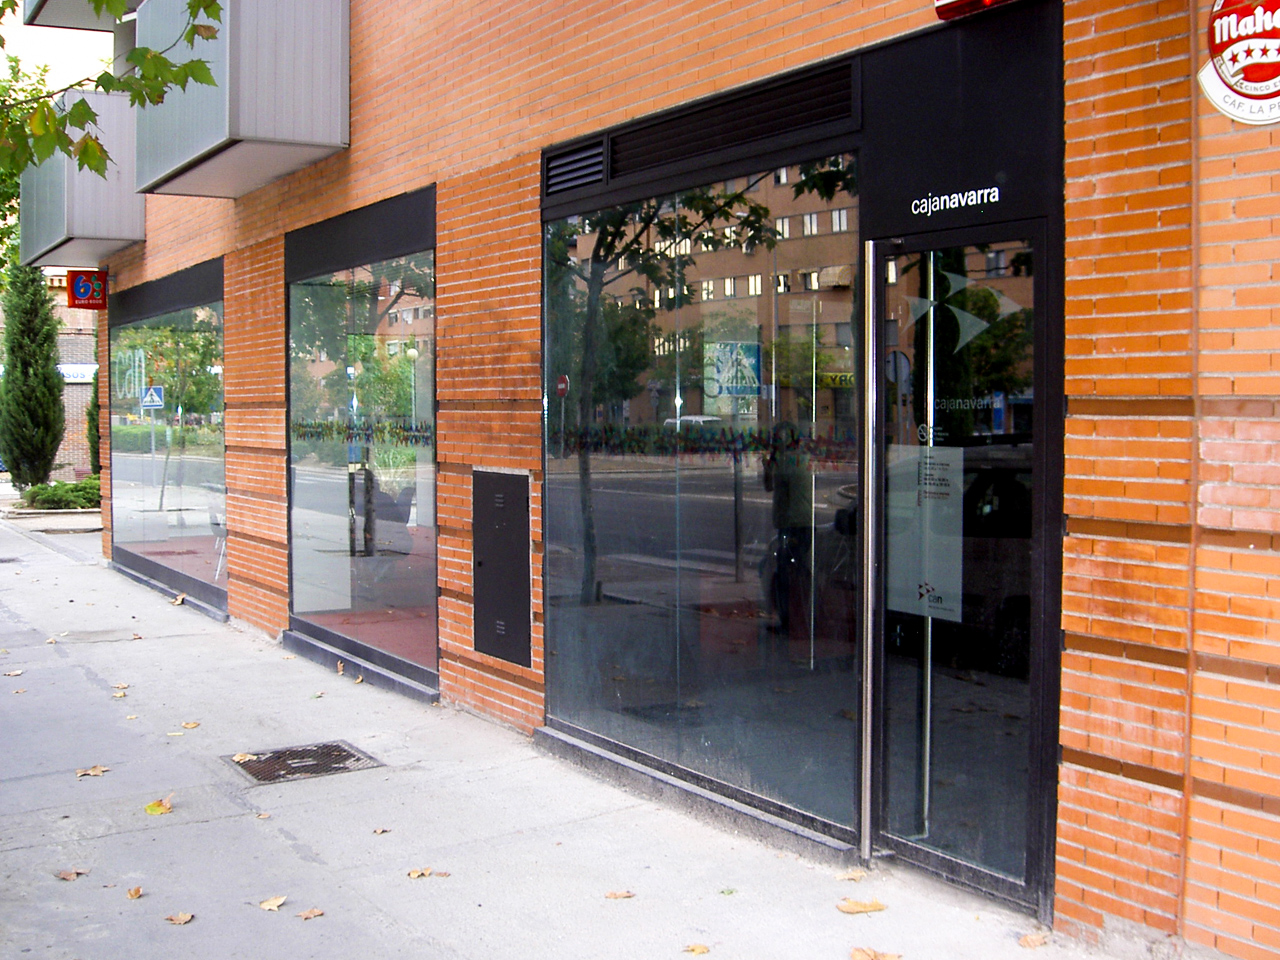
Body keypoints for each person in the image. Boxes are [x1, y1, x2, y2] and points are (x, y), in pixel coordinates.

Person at [763, 422, 811, 635]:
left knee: (784, 574)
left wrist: (770, 464)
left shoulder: (785, 462)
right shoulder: (803, 458)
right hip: (802, 523)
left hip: (791, 525)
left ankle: (789, 620)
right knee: (796, 571)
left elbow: (769, 485)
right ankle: (798, 618)